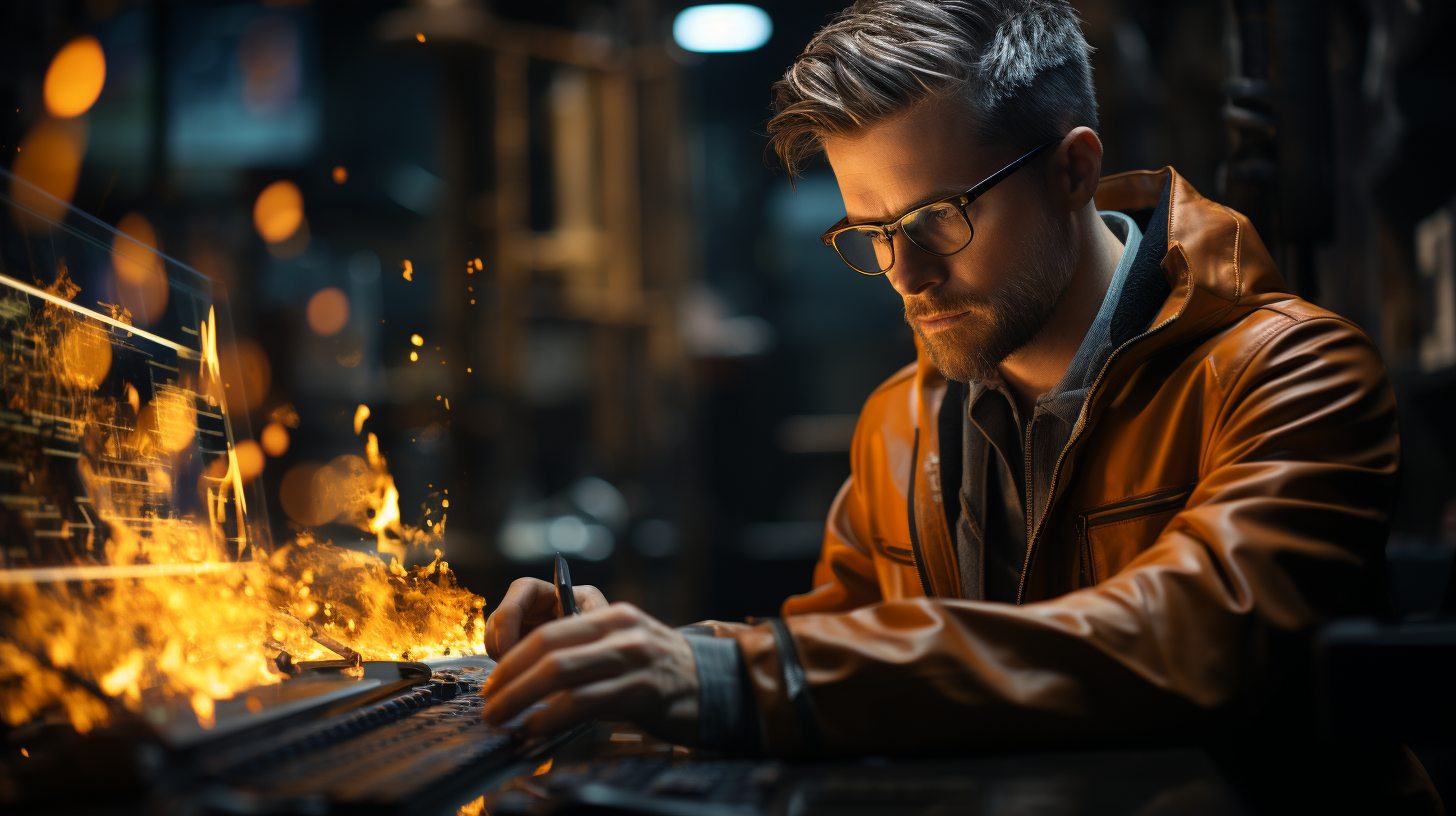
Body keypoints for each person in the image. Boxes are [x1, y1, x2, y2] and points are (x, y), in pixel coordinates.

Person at [479, 1, 1442, 811]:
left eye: (937, 217)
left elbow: (1179, 643)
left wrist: (724, 679)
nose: (905, 273)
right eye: (869, 231)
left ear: (1073, 169)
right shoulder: (896, 423)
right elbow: (834, 660)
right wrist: (632, 657)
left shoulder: (1296, 373)